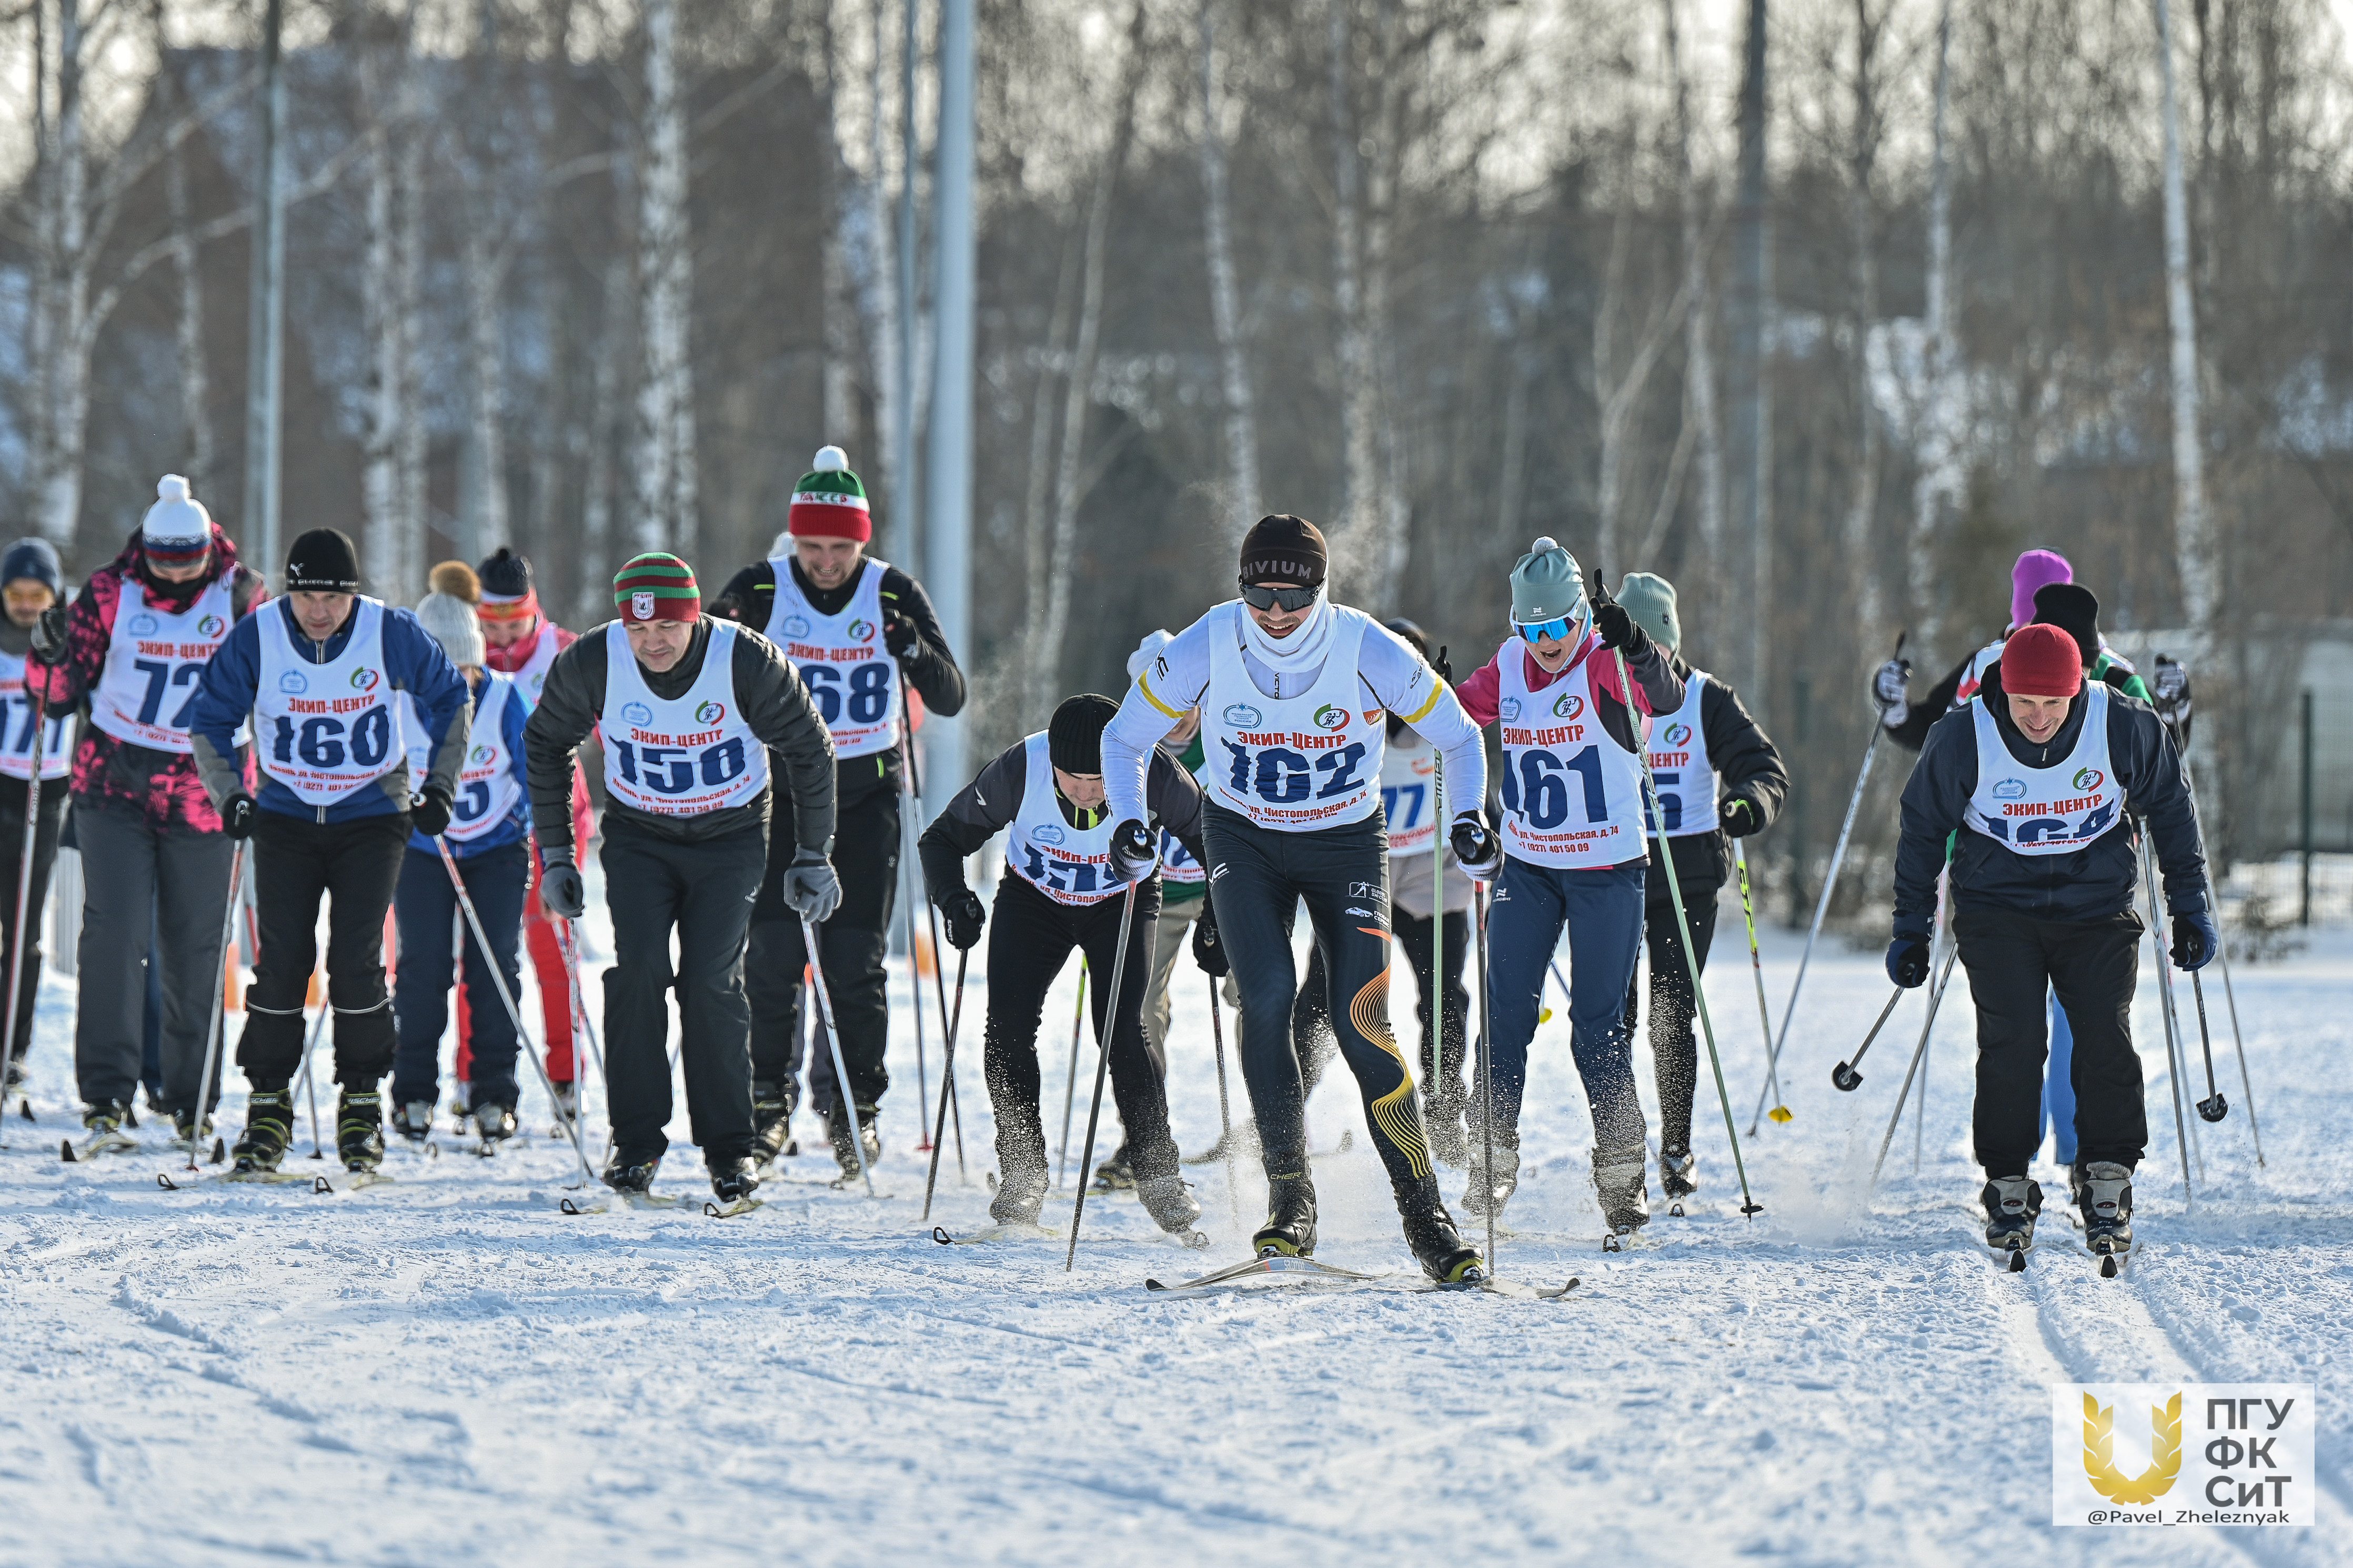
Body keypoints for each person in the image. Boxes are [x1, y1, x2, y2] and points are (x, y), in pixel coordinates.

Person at [1098, 514, 1491, 1284]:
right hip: (1244, 840)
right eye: (1259, 594)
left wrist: (1469, 820)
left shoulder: (1368, 645)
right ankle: (1291, 1199)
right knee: (1269, 996)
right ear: (1240, 587)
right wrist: (1126, 822)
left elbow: (1462, 736)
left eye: (1294, 596)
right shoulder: (1209, 640)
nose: (1276, 612)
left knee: (1361, 1020)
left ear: (1321, 589)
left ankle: (1427, 1217)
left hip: (1344, 843)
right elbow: (1123, 737)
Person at [1891, 622, 2211, 1266]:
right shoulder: (1963, 736)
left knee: (2102, 1033)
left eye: (2053, 703)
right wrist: (1910, 927)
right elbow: (1921, 831)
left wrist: (2189, 907)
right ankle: (2007, 1179)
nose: (2037, 718)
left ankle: (2107, 1174)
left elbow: (2172, 811)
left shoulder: (2122, 725)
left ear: (2077, 691)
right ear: (2002, 691)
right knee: (2011, 1039)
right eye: (2023, 702)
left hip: (2094, 908)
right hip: (1997, 908)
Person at [523, 552, 838, 1203]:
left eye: (667, 625)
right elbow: (546, 743)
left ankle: (730, 1148)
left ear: (694, 617)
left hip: (730, 836)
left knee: (709, 981)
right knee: (638, 971)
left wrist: (813, 854)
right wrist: (556, 854)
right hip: (640, 837)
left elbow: (809, 748)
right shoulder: (595, 661)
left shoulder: (744, 660)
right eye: (638, 629)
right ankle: (636, 1142)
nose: (653, 642)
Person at [711, 447, 965, 1177]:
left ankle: (855, 1108)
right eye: (812, 547)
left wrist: (910, 648)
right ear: (794, 539)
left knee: (854, 964)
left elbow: (950, 695)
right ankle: (767, 1103)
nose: (825, 562)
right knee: (771, 959)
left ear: (863, 542)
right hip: (778, 795)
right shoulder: (762, 587)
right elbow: (700, 660)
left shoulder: (891, 592)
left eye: (840, 548)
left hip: (863, 795)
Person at [190, 528, 472, 1177]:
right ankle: (268, 1106)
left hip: (371, 814)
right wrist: (230, 794)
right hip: (286, 815)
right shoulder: (259, 635)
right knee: (282, 959)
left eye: (333, 598)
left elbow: (451, 696)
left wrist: (440, 786)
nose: (318, 611)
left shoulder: (388, 630)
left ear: (354, 594)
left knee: (355, 957)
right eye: (306, 597)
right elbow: (209, 718)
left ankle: (361, 1103)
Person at [25, 477, 265, 1147]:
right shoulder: (111, 590)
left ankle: (192, 1098)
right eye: (164, 560)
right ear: (146, 550)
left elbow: (272, 680)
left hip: (207, 788)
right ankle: (106, 1093)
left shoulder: (242, 595)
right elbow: (59, 693)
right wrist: (48, 652)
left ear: (209, 548)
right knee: (114, 934)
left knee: (195, 944)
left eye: (188, 560)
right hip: (115, 783)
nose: (177, 574)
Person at [1455, 541, 1683, 1237]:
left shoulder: (1604, 660)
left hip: (1607, 869)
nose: (1548, 641)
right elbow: (1460, 716)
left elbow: (1665, 696)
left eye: (1560, 625)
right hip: (1528, 867)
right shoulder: (1509, 664)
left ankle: (1621, 1175)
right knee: (1504, 1016)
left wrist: (1634, 643)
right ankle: (1490, 1158)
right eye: (1534, 628)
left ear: (1582, 616)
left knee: (1596, 1027)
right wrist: (1422, 693)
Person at [918, 694, 1206, 1237]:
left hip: (1120, 902)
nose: (1087, 791)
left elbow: (1213, 839)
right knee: (1006, 1029)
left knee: (1122, 1031)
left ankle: (1158, 1175)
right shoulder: (1020, 767)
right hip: (1035, 901)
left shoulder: (1152, 769)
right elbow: (941, 839)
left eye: (1099, 780)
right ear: (1052, 760)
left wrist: (1217, 916)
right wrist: (953, 898)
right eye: (1074, 778)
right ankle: (1023, 1170)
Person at [1609, 573, 1787, 1209]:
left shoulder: (1705, 697)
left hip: (1685, 873)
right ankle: (1619, 1146)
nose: (1640, 661)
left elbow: (1761, 767)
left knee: (1669, 1013)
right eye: (1627, 646)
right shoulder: (1597, 689)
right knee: (1612, 1017)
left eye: (1651, 648)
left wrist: (1748, 802)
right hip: (1612, 867)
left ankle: (1676, 1145)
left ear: (1669, 644)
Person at [389, 580, 534, 1147]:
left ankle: (494, 1092)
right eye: (442, 671)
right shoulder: (399, 703)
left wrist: (536, 832)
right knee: (422, 969)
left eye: (466, 670)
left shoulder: (504, 698)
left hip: (495, 847)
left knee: (493, 967)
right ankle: (413, 1091)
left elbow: (537, 772)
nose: (456, 683)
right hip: (425, 852)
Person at [475, 546, 594, 1118]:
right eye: (490, 627)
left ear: (533, 612)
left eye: (513, 626)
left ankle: (567, 1075)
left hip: (557, 823)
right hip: (487, 824)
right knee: (484, 954)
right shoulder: (464, 653)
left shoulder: (564, 651)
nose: (501, 640)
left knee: (553, 949)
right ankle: (474, 1077)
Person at [0, 539, 72, 1098]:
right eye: (16, 595)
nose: (26, 605)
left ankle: (12, 1046)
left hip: (42, 795)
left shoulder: (71, 644)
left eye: (36, 595)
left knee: (23, 928)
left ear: (54, 595)